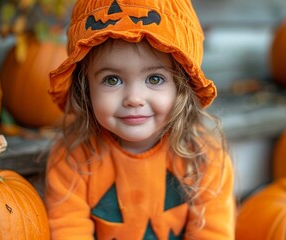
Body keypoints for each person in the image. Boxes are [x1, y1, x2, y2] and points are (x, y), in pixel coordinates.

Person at [44, 0, 235, 239]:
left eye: (154, 79)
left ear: (182, 87)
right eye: (112, 80)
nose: (134, 99)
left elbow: (212, 233)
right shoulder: (73, 158)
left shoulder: (205, 159)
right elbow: (68, 230)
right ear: (85, 88)